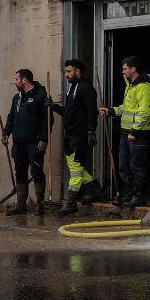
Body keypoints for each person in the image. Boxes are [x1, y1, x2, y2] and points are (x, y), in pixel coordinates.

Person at [99, 55, 150, 217]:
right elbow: (126, 107)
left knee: (137, 166)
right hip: (126, 132)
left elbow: (144, 111)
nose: (122, 72)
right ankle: (128, 195)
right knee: (124, 166)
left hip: (138, 134)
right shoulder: (130, 86)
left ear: (133, 69)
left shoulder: (143, 87)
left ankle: (138, 196)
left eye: (125, 68)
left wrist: (134, 132)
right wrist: (111, 111)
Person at [51, 59, 100, 215]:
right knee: (75, 166)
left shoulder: (86, 89)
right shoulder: (72, 88)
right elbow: (68, 112)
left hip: (80, 136)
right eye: (66, 71)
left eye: (69, 71)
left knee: (76, 170)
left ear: (77, 71)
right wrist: (53, 106)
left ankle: (71, 203)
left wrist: (91, 131)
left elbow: (92, 111)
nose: (66, 74)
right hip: (70, 135)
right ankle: (95, 190)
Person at [2, 69, 51, 216]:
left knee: (36, 172)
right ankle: (20, 205)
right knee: (20, 173)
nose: (15, 82)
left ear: (24, 80)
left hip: (34, 142)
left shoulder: (41, 96)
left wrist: (44, 139)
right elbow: (11, 117)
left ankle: (39, 205)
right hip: (19, 143)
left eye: (17, 79)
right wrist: (5, 133)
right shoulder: (16, 98)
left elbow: (48, 119)